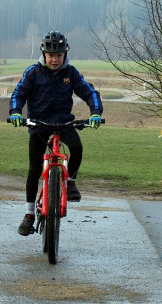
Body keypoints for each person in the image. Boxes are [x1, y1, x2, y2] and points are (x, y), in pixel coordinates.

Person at [9, 31, 103, 236]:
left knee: (76, 148)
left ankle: (70, 182)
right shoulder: (33, 72)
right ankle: (29, 214)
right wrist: (16, 112)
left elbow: (89, 92)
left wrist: (95, 113)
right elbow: (19, 93)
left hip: (63, 122)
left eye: (59, 55)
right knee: (34, 169)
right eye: (51, 55)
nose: (54, 59)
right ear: (43, 54)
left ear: (65, 54)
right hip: (39, 124)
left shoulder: (71, 73)